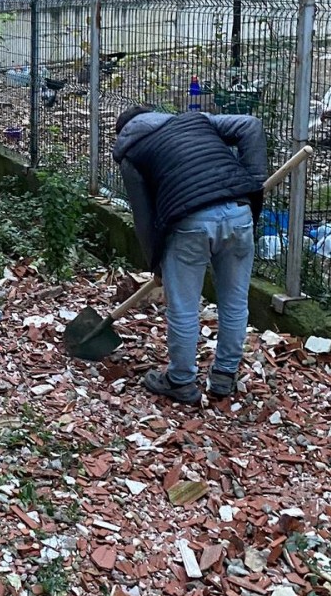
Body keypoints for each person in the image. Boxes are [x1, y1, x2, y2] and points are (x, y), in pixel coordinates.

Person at [112, 105, 267, 404]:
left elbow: (143, 217)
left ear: (124, 134)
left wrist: (155, 263)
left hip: (189, 223)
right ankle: (224, 376)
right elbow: (250, 125)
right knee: (234, 301)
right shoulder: (196, 120)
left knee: (183, 307)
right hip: (239, 212)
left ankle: (180, 380)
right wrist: (253, 184)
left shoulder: (131, 154)